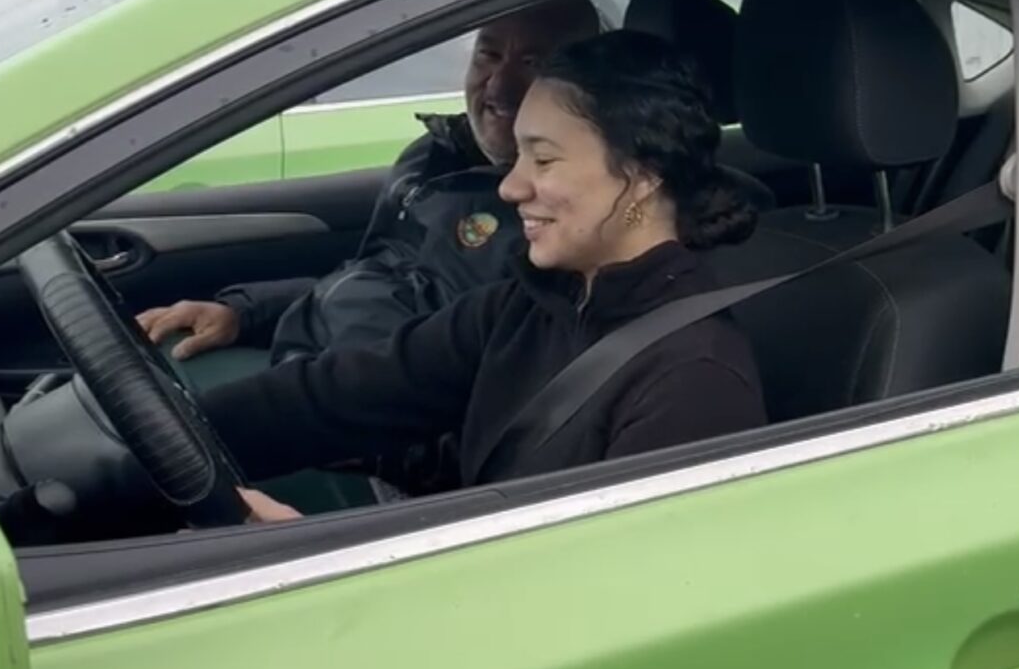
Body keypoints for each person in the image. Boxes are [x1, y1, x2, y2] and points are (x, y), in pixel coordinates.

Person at [197, 30, 770, 520]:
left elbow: (611, 594)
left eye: (542, 160)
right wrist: (172, 442)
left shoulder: (694, 382)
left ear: (643, 175)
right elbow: (334, 397)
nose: (511, 187)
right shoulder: (528, 306)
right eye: (517, 157)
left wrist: (310, 557)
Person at [135, 0, 602, 383]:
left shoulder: (561, 215)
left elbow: (477, 383)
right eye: (489, 55)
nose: (499, 85)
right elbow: (371, 277)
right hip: (309, 364)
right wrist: (243, 314)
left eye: (533, 63)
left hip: (365, 417)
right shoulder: (434, 154)